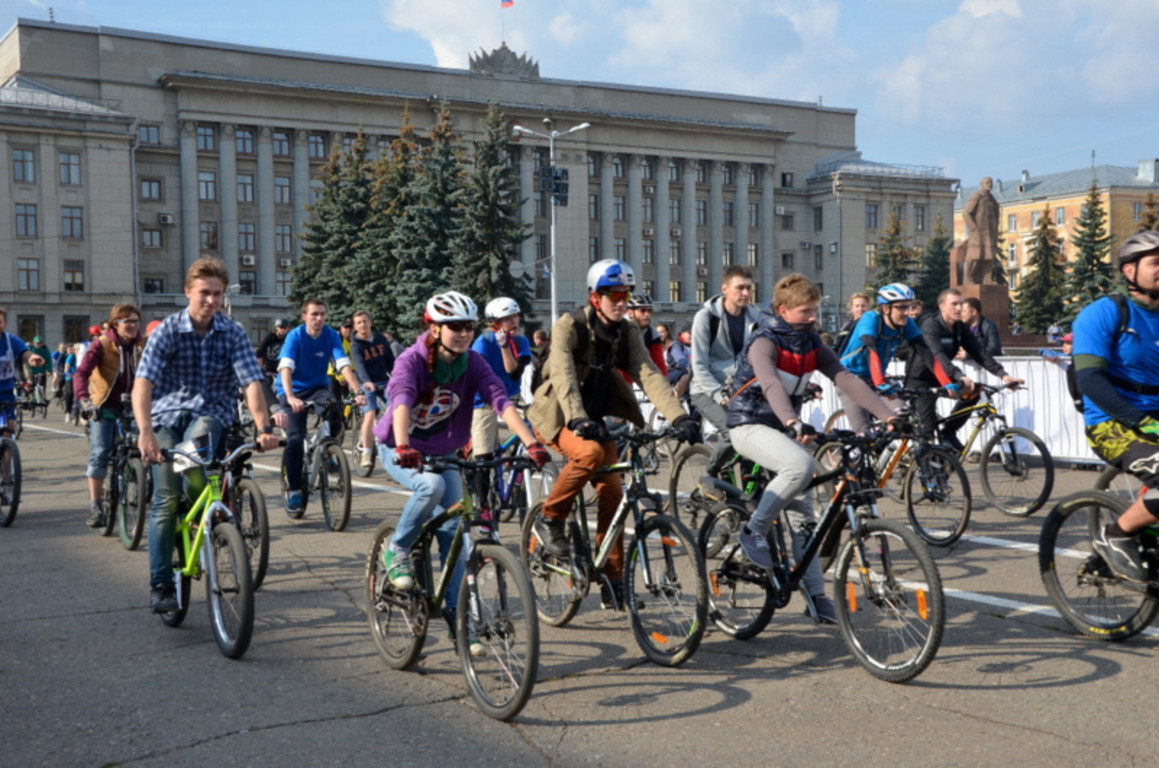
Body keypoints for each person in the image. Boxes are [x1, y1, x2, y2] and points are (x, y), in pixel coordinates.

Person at [374, 291, 550, 648]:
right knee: (430, 489)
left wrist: (531, 442)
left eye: (469, 326)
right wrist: (404, 444)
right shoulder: (413, 360)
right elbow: (403, 400)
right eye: (455, 326)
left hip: (444, 451)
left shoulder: (472, 362)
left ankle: (458, 619)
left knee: (456, 533)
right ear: (435, 329)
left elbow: (500, 400)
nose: (465, 332)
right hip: (398, 446)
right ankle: (398, 547)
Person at [727, 274, 904, 624]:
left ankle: (816, 596)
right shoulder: (764, 341)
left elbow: (845, 378)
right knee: (801, 468)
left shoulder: (810, 342)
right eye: (805, 311)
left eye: (815, 310)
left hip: (784, 428)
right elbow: (771, 383)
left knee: (805, 518)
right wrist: (793, 421)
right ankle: (753, 531)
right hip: (749, 424)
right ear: (783, 310)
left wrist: (887, 416)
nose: (813, 318)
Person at [528, 260, 700, 608]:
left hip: (592, 417)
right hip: (557, 414)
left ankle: (612, 576)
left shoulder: (626, 332)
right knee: (589, 455)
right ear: (595, 297)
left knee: (614, 492)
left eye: (626, 295)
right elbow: (562, 375)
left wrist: (679, 417)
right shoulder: (569, 326)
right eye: (613, 295)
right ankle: (550, 518)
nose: (622, 302)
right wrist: (577, 419)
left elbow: (648, 374)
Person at [133, 258, 278, 613]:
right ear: (188, 292)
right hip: (166, 419)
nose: (211, 301)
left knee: (199, 440)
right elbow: (143, 384)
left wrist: (264, 428)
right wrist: (146, 433)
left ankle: (204, 511)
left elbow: (250, 384)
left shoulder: (232, 332)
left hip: (210, 416)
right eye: (204, 293)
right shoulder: (167, 330)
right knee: (166, 498)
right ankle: (162, 583)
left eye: (217, 294)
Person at [1073, 232, 1159, 581]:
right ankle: (1116, 535)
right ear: (1129, 271)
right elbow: (1090, 380)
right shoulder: (1104, 313)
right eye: (1155, 263)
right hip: (1112, 421)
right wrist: (1142, 421)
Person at [902, 288, 1022, 449]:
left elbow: (979, 352)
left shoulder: (960, 327)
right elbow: (938, 356)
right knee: (927, 430)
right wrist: (959, 376)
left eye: (961, 304)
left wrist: (1004, 375)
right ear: (942, 306)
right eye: (954, 304)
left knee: (974, 391)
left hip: (943, 375)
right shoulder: (931, 325)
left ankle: (949, 431)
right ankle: (923, 466)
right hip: (920, 379)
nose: (959, 308)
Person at [276, 300, 365, 516]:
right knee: (295, 439)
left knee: (335, 408)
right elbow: (286, 368)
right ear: (304, 315)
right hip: (292, 390)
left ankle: (328, 449)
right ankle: (295, 490)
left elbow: (343, 364)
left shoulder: (330, 335)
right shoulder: (295, 336)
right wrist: (290, 397)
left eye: (322, 314)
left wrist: (357, 391)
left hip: (318, 388)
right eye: (314, 314)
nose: (319, 319)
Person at [840, 283, 952, 433]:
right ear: (886, 308)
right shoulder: (870, 319)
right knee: (864, 434)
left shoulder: (907, 324)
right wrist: (880, 382)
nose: (907, 312)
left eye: (909, 307)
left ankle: (888, 450)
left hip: (876, 377)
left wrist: (947, 382)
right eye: (902, 307)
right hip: (850, 377)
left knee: (902, 413)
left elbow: (926, 353)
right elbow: (870, 350)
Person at [75, 304, 144, 528]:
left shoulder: (143, 345)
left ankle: (141, 486)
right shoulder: (101, 345)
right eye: (128, 322)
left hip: (133, 405)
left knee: (143, 446)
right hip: (103, 404)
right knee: (100, 452)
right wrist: (84, 400)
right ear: (116, 324)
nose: (133, 326)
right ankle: (95, 506)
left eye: (135, 321)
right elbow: (81, 373)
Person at [690, 264, 760, 483]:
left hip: (740, 390)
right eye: (740, 288)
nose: (746, 293)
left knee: (758, 439)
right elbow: (699, 367)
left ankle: (748, 499)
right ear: (725, 289)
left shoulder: (755, 319)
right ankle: (709, 475)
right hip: (706, 390)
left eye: (749, 288)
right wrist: (720, 395)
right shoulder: (706, 318)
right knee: (732, 432)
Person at [469, 297, 532, 505]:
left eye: (515, 316)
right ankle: (484, 507)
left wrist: (506, 347)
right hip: (484, 400)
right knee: (484, 455)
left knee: (533, 428)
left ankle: (518, 469)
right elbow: (476, 375)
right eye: (507, 318)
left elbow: (513, 373)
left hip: (511, 397)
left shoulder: (521, 342)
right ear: (495, 323)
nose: (514, 322)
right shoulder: (484, 342)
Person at [350, 310, 395, 470]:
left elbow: (391, 362)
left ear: (370, 322)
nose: (363, 324)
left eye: (365, 321)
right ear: (355, 326)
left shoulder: (381, 339)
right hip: (365, 383)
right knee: (370, 413)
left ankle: (395, 446)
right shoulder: (355, 346)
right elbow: (359, 366)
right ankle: (367, 452)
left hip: (384, 380)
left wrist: (398, 377)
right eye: (359, 322)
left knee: (397, 407)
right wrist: (367, 381)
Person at [0, 307, 46, 431]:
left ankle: (9, 447)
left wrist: (32, 358)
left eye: (0, 322)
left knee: (10, 427)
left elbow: (25, 352)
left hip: (6, 391)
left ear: (5, 324)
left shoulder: (11, 340)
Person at [626, 293, 667, 374]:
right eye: (642, 310)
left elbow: (659, 363)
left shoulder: (652, 333)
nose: (647, 314)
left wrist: (664, 383)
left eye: (649, 310)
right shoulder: (620, 330)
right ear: (630, 312)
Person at [26, 335, 51, 403]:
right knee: (32, 385)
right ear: (34, 342)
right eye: (37, 343)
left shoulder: (45, 349)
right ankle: (30, 396)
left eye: (40, 343)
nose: (39, 344)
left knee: (42, 385)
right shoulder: (30, 349)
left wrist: (49, 370)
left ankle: (42, 398)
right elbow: (26, 360)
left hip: (42, 370)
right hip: (32, 370)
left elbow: (49, 360)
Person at [62, 344, 79, 424]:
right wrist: (67, 372)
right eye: (77, 349)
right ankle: (68, 412)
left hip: (79, 378)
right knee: (70, 393)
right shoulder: (71, 356)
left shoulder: (82, 356)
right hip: (70, 377)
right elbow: (66, 367)